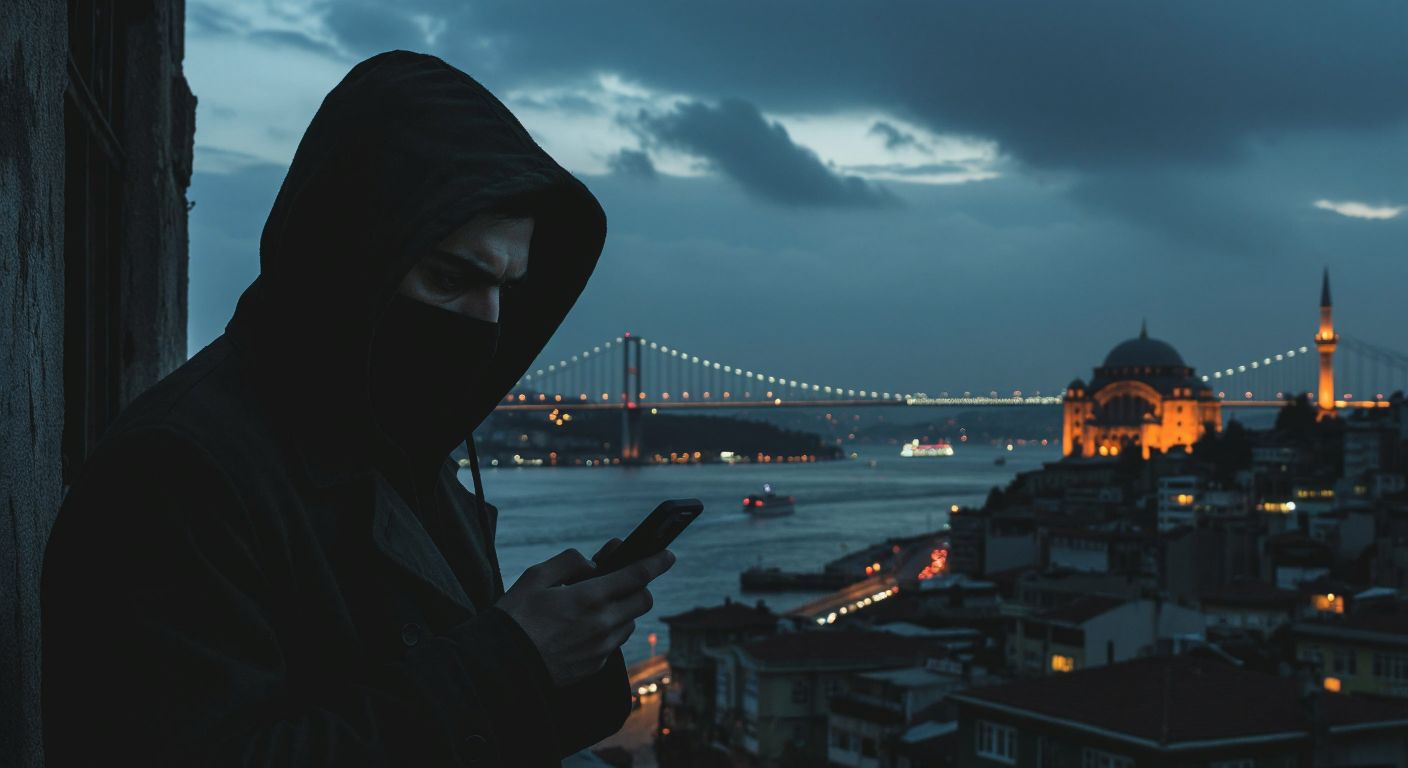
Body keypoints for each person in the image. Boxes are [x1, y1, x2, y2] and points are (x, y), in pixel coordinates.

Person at [40, 50, 672, 766]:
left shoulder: (405, 450)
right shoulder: (172, 472)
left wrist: (567, 646)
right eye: (450, 278)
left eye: (505, 289)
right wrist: (512, 657)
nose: (488, 323)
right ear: (348, 257)